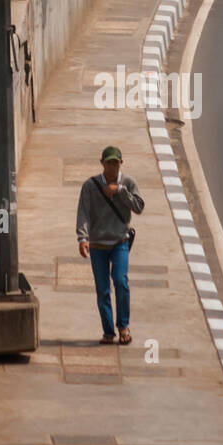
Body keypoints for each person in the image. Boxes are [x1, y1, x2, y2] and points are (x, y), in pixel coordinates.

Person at [76, 146, 144, 345]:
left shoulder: (128, 183)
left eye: (116, 162)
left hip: (119, 242)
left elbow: (139, 207)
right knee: (103, 289)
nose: (112, 166)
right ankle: (108, 332)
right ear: (102, 163)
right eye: (109, 162)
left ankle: (123, 325)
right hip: (97, 245)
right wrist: (82, 239)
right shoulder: (90, 186)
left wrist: (120, 191)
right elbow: (83, 213)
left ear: (121, 163)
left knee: (121, 281)